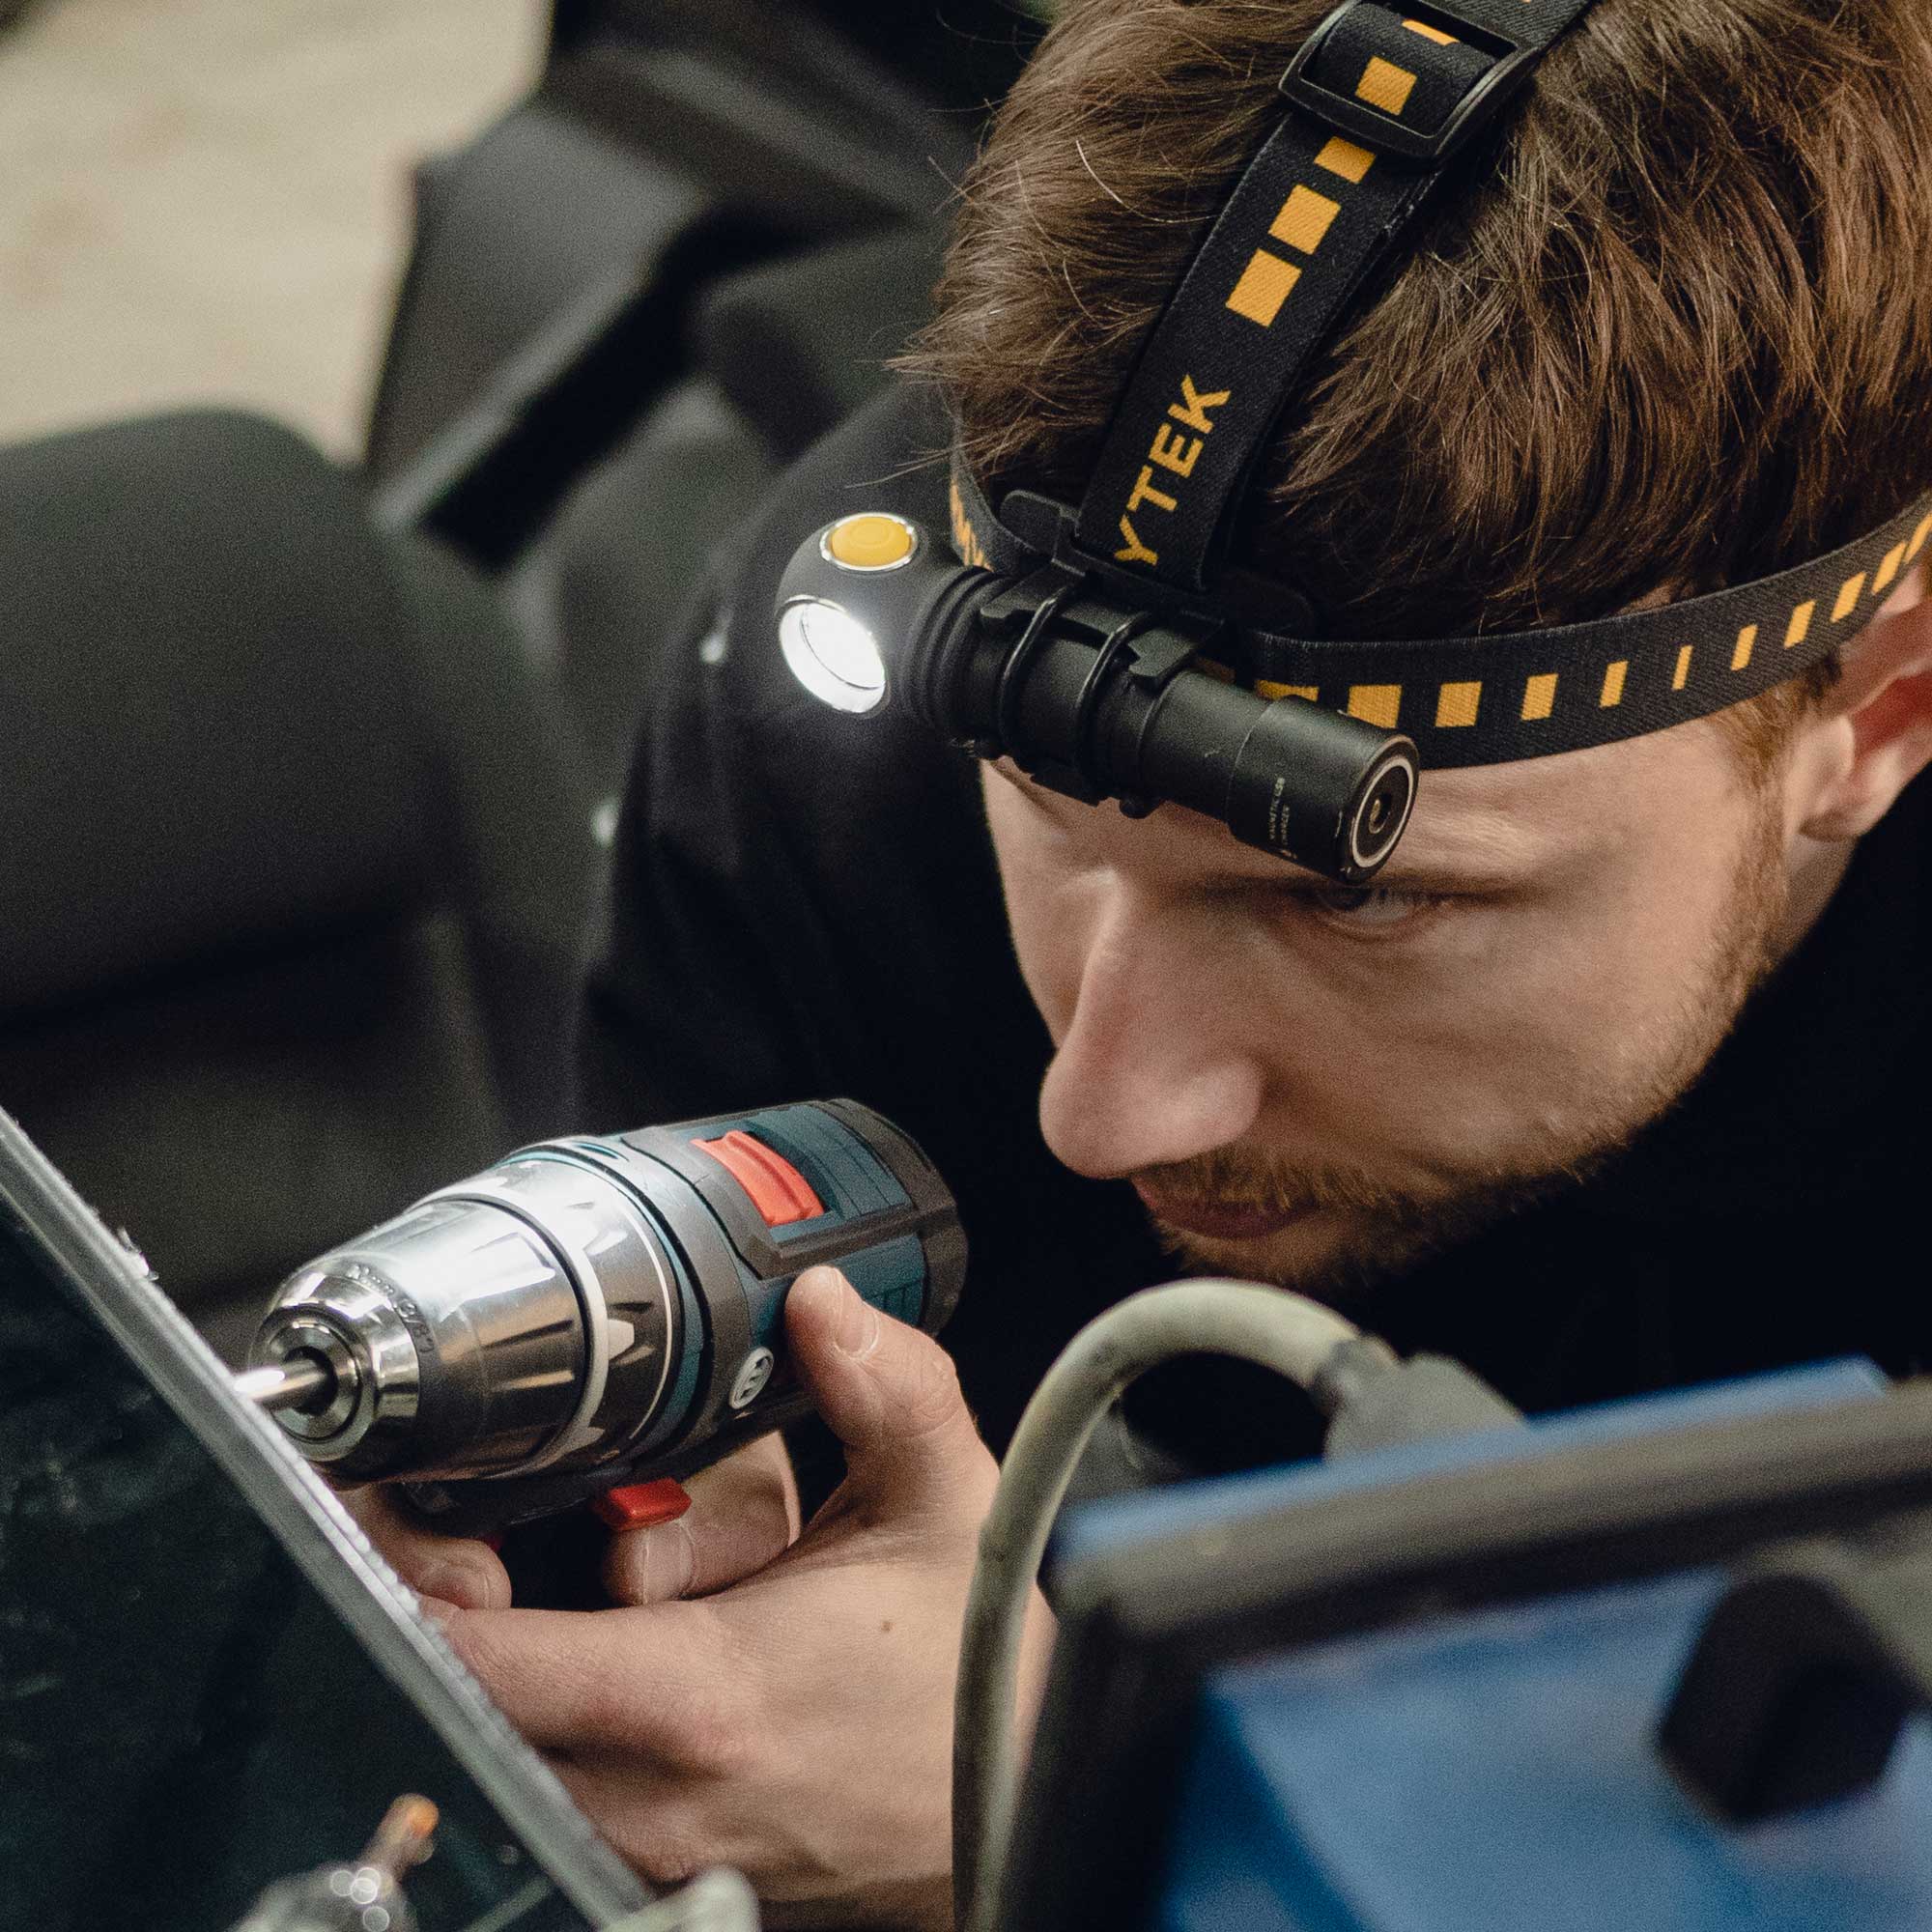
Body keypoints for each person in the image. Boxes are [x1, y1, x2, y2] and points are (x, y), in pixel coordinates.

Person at [355, 0, 1932, 1923]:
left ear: (1875, 708)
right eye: (1040, 805)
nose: (1099, 1110)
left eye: (1355, 898)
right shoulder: (838, 723)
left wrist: (1090, 1804)